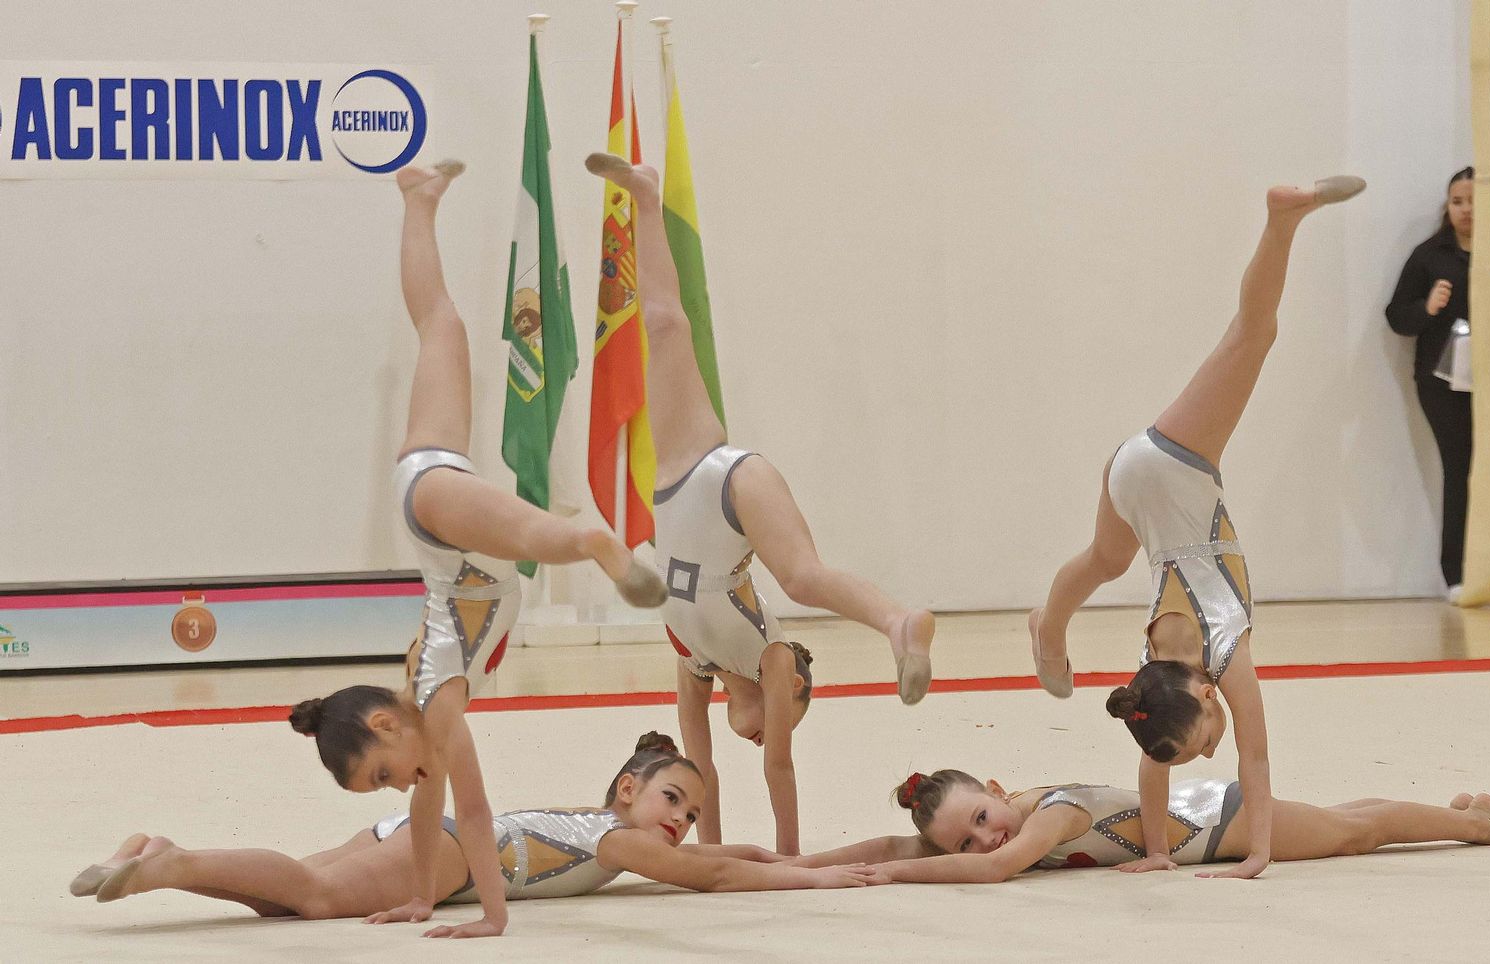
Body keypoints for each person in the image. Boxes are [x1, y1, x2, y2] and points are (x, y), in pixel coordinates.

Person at [283, 161, 667, 938]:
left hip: (443, 521)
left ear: (388, 727)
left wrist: (492, 917)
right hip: (432, 485)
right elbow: (433, 814)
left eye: (383, 774)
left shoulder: (439, 702)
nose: (402, 786)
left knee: (535, 533)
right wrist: (423, 898)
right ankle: (418, 198)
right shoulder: (422, 707)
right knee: (442, 326)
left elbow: (476, 811)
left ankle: (593, 541)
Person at [582, 152, 935, 856]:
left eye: (774, 724)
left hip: (684, 480)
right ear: (793, 684)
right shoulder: (773, 657)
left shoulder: (696, 662)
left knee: (663, 327)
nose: (767, 734)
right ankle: (896, 623)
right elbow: (778, 765)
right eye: (784, 718)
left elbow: (698, 767)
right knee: (801, 577)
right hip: (730, 485)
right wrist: (789, 859)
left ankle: (643, 199)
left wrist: (708, 855)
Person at [1028, 175, 1367, 879]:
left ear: (1207, 698)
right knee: (1103, 559)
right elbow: (1154, 764)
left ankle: (1282, 219)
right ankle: (1048, 627)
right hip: (1131, 476)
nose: (1209, 752)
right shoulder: (1151, 688)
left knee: (1255, 333)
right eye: (1199, 753)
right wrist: (1155, 852)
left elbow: (1255, 756)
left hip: (1170, 464)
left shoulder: (1224, 658)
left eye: (1201, 742)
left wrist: (1263, 850)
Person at [72, 733, 877, 922]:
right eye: (673, 800)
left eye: (692, 814)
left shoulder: (607, 821)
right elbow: (717, 875)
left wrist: (798, 854)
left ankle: (149, 849)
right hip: (454, 853)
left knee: (284, 901)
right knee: (314, 896)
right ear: (629, 788)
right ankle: (172, 862)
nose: (684, 823)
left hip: (428, 833)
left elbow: (731, 856)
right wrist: (812, 879)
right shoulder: (620, 839)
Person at [790, 768, 1490, 883]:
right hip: (1208, 820)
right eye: (965, 838)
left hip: (1220, 819)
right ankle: (1462, 812)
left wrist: (891, 875)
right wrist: (801, 869)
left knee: (1353, 835)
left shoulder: (1049, 815)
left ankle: (1479, 826)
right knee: (1349, 822)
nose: (985, 839)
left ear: (996, 789)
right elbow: (893, 842)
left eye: (983, 817)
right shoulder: (1008, 822)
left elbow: (994, 869)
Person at [1385, 166, 1475, 598]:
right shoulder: (1430, 255)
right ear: (1447, 206)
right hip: (1441, 384)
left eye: (1474, 200)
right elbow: (1397, 317)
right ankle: (1455, 573)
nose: (1466, 210)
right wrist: (1429, 307)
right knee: (1460, 467)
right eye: (1458, 201)